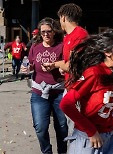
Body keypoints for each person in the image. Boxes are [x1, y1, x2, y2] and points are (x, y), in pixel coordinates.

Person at [60, 29, 113, 154]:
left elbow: (109, 109)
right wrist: (91, 131)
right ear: (107, 52)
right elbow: (66, 104)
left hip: (110, 138)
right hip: (88, 139)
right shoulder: (94, 73)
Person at [21, 17, 68, 154]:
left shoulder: (62, 46)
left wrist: (61, 68)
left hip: (59, 92)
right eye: (43, 32)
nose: (46, 34)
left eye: (49, 31)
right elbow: (30, 64)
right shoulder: (35, 47)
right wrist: (27, 68)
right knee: (40, 127)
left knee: (62, 127)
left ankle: (62, 152)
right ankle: (47, 152)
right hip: (39, 92)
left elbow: (68, 64)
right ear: (40, 34)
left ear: (54, 32)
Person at [43, 3, 88, 81]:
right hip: (69, 83)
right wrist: (53, 65)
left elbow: (72, 65)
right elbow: (67, 61)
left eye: (59, 18)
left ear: (63, 18)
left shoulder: (80, 35)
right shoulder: (67, 37)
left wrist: (59, 66)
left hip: (78, 86)